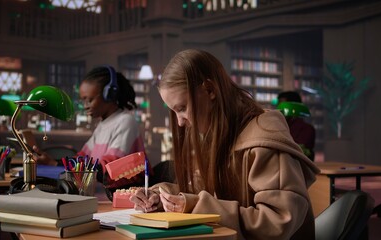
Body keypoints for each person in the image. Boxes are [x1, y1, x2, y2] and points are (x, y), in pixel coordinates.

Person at [130, 49, 320, 240]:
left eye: (182, 108)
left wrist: (196, 206)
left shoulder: (265, 139)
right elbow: (196, 188)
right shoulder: (220, 135)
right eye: (174, 112)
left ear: (210, 90)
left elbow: (277, 223)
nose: (179, 122)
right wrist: (160, 196)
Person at [34, 65, 149, 193]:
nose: (85, 106)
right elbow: (82, 159)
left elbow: (110, 169)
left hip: (121, 195)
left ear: (109, 94)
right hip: (100, 192)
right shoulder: (102, 125)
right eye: (83, 101)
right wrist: (54, 162)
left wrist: (57, 165)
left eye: (89, 100)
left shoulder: (126, 121)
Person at [277, 91, 316, 161]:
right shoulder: (278, 127)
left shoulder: (307, 129)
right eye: (279, 106)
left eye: (283, 107)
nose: (279, 110)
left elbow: (299, 153)